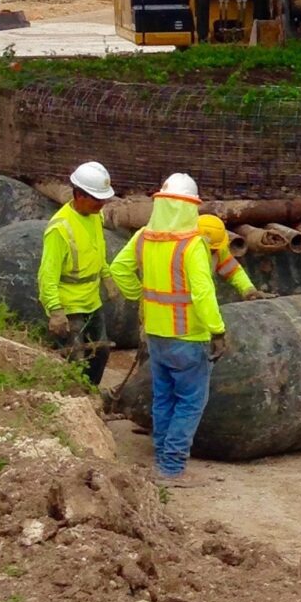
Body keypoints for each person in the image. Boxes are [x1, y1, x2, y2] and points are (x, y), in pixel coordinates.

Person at [105, 172, 224, 485]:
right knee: (189, 402)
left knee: (164, 397)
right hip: (189, 337)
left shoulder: (144, 235)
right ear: (189, 207)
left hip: (155, 335)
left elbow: (118, 268)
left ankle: (162, 460)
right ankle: (171, 468)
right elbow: (202, 291)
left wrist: (139, 293)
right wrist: (218, 329)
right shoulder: (191, 245)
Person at [37, 159, 116, 385]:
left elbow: (95, 249)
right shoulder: (60, 229)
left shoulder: (94, 217)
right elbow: (47, 275)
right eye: (97, 199)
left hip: (92, 301)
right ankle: (75, 398)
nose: (102, 204)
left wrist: (106, 276)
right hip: (70, 306)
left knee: (100, 352)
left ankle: (91, 395)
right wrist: (55, 310)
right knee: (76, 360)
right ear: (79, 195)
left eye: (104, 199)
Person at [197, 211, 259, 305]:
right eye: (211, 249)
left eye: (214, 248)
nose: (213, 251)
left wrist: (248, 290)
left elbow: (233, 272)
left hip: (205, 303)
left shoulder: (219, 250)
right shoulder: (182, 252)